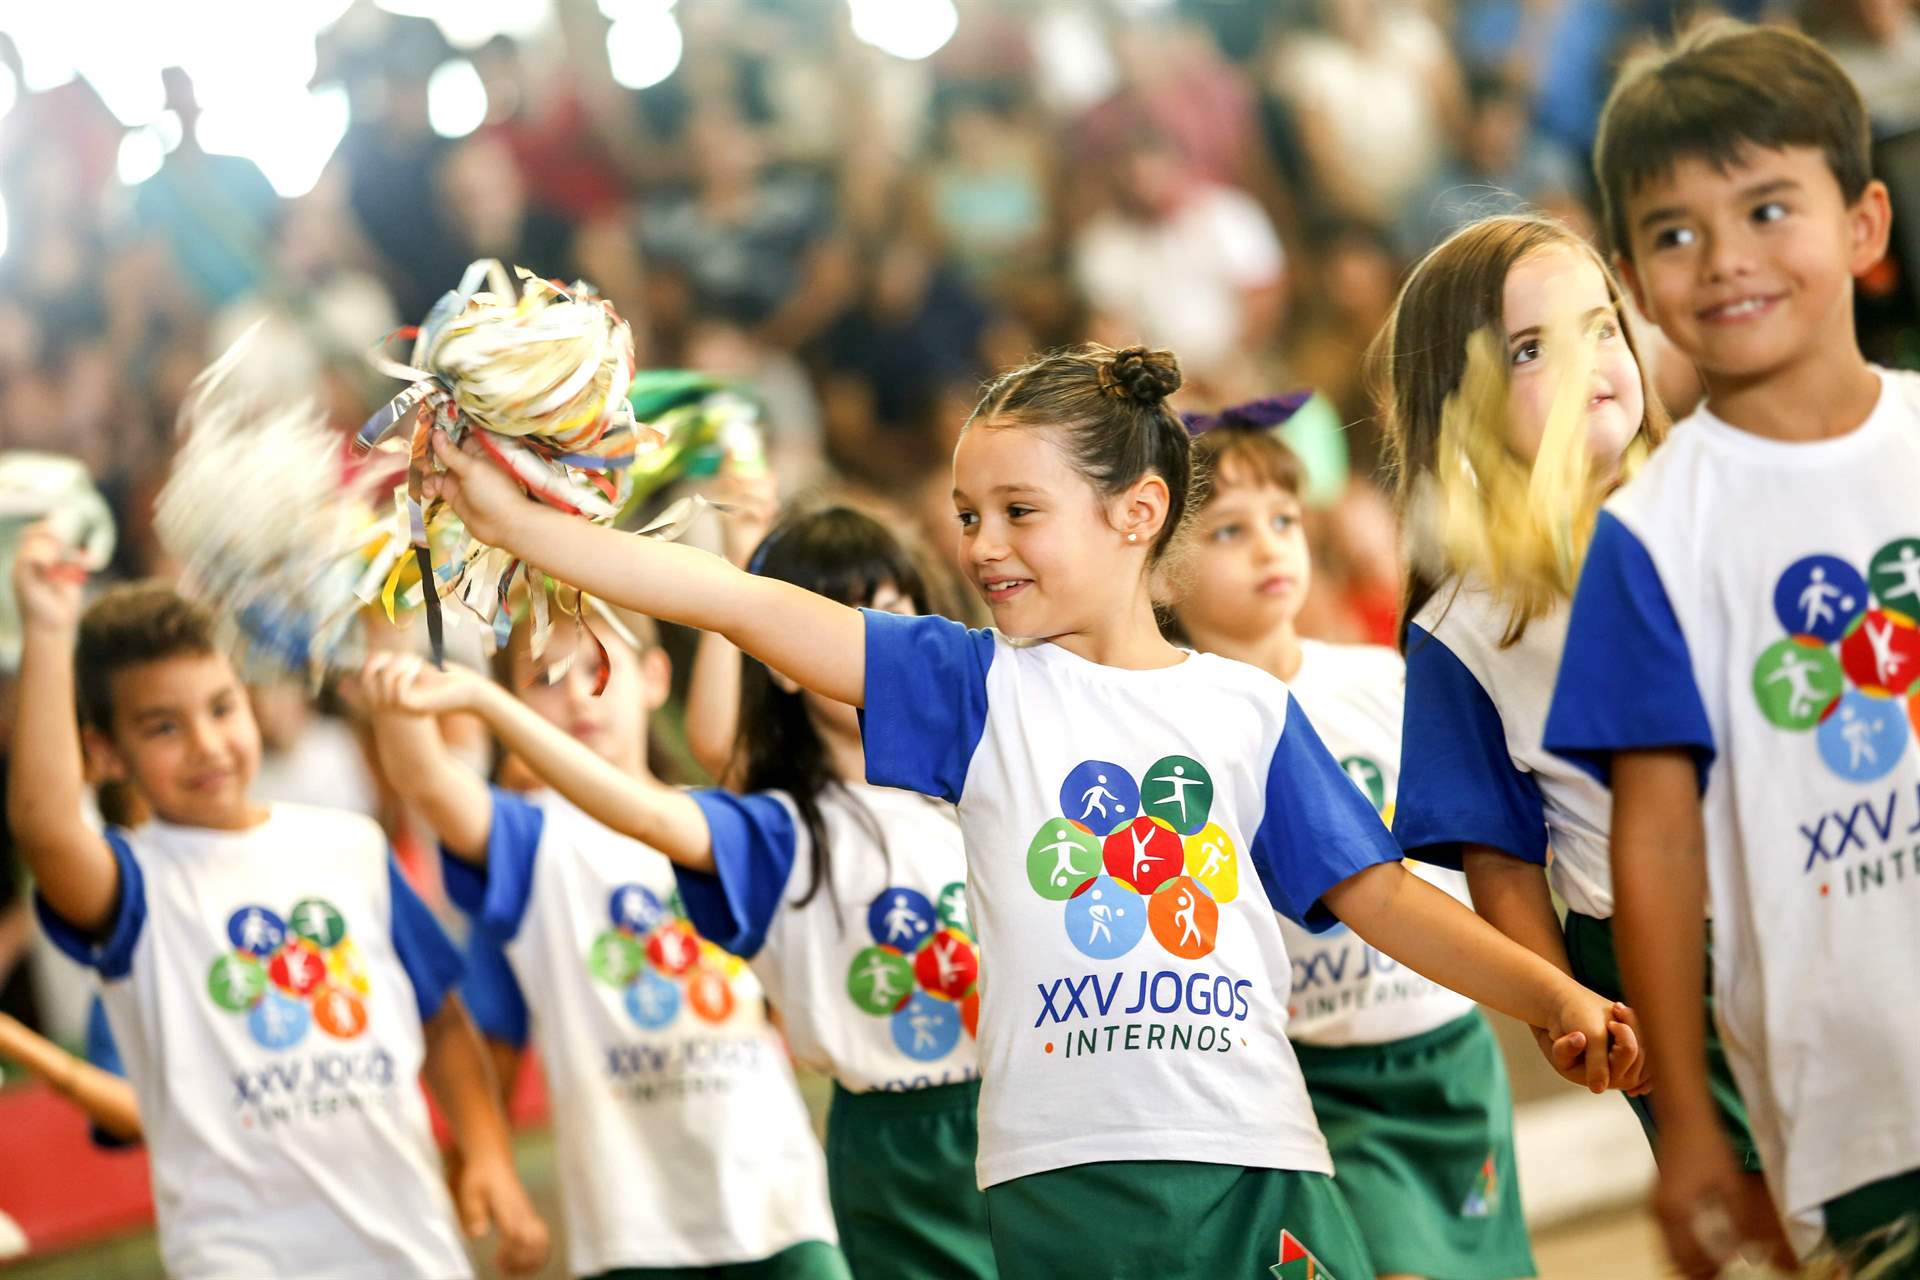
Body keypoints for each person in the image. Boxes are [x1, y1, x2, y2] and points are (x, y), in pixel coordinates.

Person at [414, 339, 1642, 1278]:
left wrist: (1553, 994)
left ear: (1136, 513)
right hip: (1060, 1184)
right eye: (965, 517)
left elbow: (1380, 895)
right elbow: (733, 605)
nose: (983, 544)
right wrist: (522, 523)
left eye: (1017, 512)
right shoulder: (972, 686)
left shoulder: (1244, 710)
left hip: (1260, 1157)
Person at [378, 503, 994, 1278]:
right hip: (661, 1215)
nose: (860, 646)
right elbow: (444, 783)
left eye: (888, 616)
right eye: (544, 679)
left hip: (804, 1188)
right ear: (783, 660)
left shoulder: (977, 781)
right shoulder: (761, 827)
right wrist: (459, 686)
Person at [1540, 21, 1920, 1275]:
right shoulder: (1650, 539)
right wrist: (1694, 1129)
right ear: (1635, 283)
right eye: (1675, 232)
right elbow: (1653, 838)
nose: (1725, 260)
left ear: (1864, 227)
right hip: (1850, 1105)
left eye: (1767, 208)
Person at [7, 533, 547, 1279]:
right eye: (163, 726)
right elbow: (43, 822)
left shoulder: (352, 848)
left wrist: (488, 1155)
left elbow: (442, 1019)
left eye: (221, 707)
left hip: (414, 1249)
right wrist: (49, 625)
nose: (206, 743)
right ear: (102, 755)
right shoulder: (133, 888)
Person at [362, 601, 847, 1280]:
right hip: (631, 1229)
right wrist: (387, 644)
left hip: (780, 1207)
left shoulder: (712, 820)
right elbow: (426, 779)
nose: (579, 695)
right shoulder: (530, 839)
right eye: (544, 678)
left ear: (653, 677)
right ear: (506, 706)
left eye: (600, 666)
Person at [1169, 421, 1539, 1280]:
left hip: (1448, 1052)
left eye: (1284, 519)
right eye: (1228, 529)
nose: (1268, 545)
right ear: (1160, 565)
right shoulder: (1179, 733)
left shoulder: (1384, 680)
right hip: (1316, 1077)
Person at [1378, 213, 1703, 1153]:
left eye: (1601, 325)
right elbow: (1501, 861)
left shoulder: (1730, 500)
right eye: (1531, 348)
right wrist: (1559, 1006)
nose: (1588, 358)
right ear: (1455, 401)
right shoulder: (1464, 626)